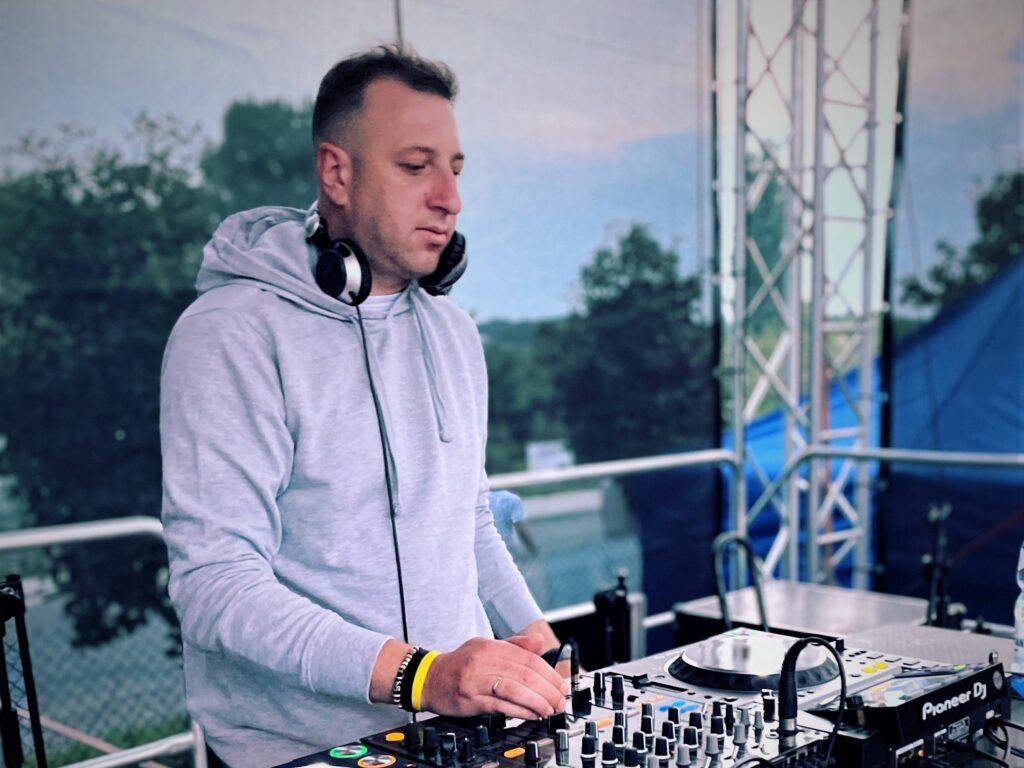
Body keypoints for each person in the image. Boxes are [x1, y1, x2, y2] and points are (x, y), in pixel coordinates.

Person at [160, 46, 566, 768]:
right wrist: (422, 674)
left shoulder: (455, 332)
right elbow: (216, 584)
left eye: (456, 169)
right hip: (302, 752)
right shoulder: (231, 334)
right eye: (415, 166)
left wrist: (535, 635)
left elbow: (469, 519)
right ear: (336, 173)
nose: (450, 198)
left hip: (454, 737)